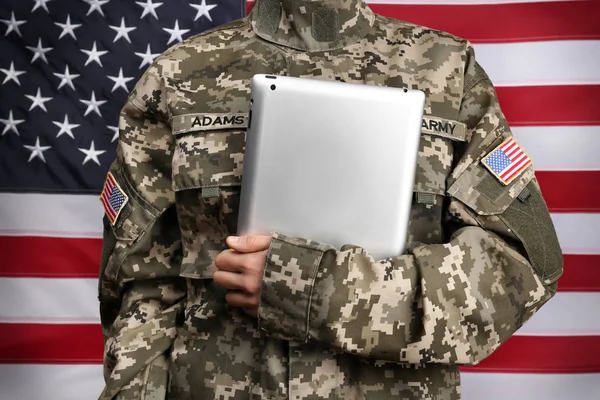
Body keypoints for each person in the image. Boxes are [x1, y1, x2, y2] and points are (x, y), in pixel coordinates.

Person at [97, 0, 563, 398]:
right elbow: (141, 291)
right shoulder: (179, 74)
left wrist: (313, 288)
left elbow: (521, 264)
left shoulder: (447, 70)